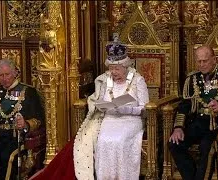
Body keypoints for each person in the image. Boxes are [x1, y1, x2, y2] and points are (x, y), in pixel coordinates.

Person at [31, 33, 149, 180]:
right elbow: (98, 101)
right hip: (109, 118)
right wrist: (101, 106)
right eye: (111, 68)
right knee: (103, 139)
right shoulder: (106, 80)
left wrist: (126, 109)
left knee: (119, 140)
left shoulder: (138, 80)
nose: (113, 72)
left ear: (125, 66)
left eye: (117, 69)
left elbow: (145, 108)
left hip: (130, 120)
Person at [168, 45, 218, 180]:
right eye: (199, 61)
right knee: (174, 144)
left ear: (214, 59)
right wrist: (178, 128)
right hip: (197, 122)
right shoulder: (192, 79)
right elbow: (185, 106)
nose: (201, 64)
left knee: (206, 147)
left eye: (205, 61)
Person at [0, 58, 45, 180]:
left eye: (7, 74)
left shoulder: (28, 92)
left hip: (17, 138)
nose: (4, 78)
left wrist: (25, 124)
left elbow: (39, 120)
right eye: (1, 75)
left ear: (14, 73)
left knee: (7, 157)